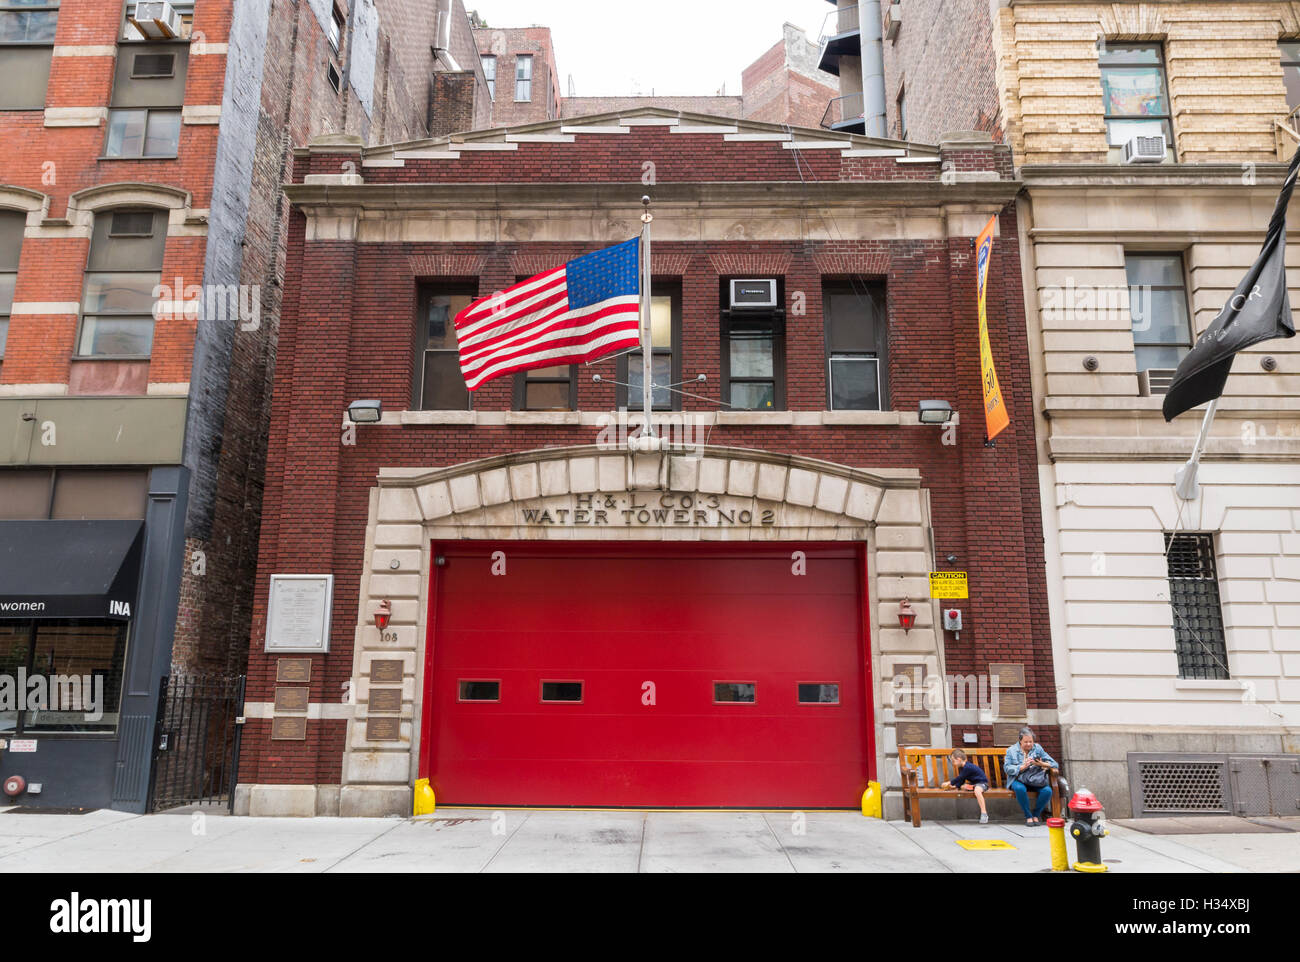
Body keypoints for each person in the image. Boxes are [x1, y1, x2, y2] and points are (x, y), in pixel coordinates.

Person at [1004, 727, 1058, 826]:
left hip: (1035, 779)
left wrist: (1040, 763)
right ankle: (1028, 816)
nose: (1029, 744)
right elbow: (1007, 768)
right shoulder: (1011, 750)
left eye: (1031, 741)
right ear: (1020, 741)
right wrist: (1022, 767)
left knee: (1047, 791)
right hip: (1018, 779)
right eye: (1026, 742)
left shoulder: (1037, 748)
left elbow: (1055, 764)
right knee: (1020, 789)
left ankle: (1036, 815)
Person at [936, 748, 991, 824]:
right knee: (963, 786)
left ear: (958, 759)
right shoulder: (962, 768)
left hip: (982, 783)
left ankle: (984, 813)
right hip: (974, 784)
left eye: (953, 761)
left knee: (977, 790)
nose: (953, 763)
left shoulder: (967, 767)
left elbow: (960, 777)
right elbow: (962, 780)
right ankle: (972, 788)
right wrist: (956, 786)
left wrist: (949, 783)